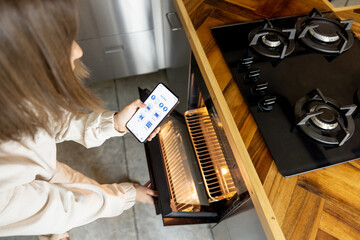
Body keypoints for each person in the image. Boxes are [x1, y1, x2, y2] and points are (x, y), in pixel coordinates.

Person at [0, 0, 158, 239]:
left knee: (73, 185)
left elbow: (55, 122)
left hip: (39, 172)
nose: (78, 51)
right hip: (17, 199)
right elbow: (62, 207)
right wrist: (126, 195)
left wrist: (115, 123)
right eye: (62, 42)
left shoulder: (15, 94)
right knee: (54, 216)